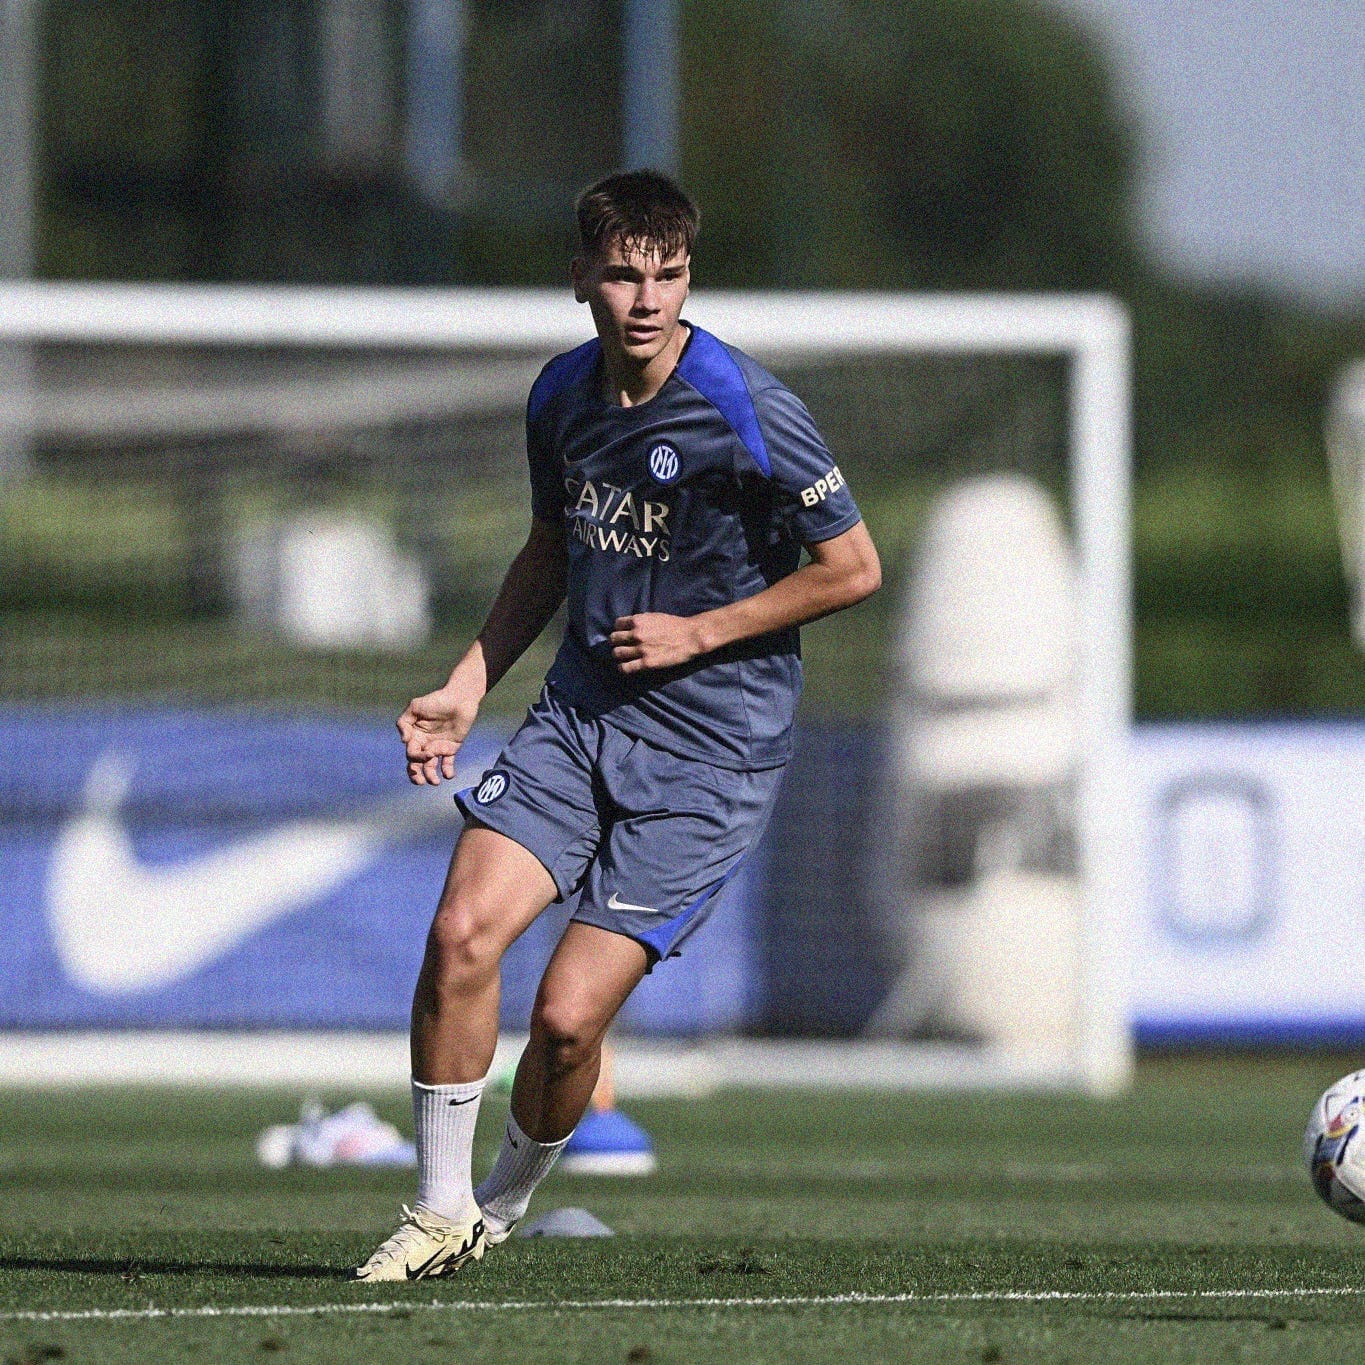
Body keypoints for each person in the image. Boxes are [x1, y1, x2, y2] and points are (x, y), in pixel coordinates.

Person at [352, 169, 880, 1281]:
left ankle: (500, 1202)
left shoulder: (745, 404)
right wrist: (469, 681)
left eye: (669, 276)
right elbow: (551, 548)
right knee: (460, 935)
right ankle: (437, 1210)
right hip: (579, 716)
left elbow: (852, 567)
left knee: (564, 1020)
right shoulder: (559, 397)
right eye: (624, 275)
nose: (647, 300)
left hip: (711, 755)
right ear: (580, 279)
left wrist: (702, 632)